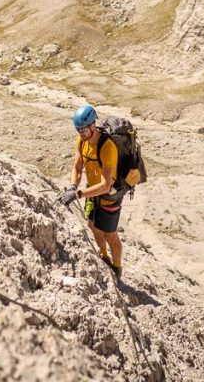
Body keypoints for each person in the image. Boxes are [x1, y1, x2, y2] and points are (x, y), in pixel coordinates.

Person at [60, 103, 123, 278]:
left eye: (83, 130)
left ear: (93, 125)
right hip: (92, 192)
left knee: (110, 234)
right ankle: (104, 256)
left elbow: (105, 185)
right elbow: (78, 167)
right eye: (78, 130)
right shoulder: (82, 142)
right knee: (93, 226)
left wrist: (77, 194)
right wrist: (73, 186)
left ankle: (117, 268)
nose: (81, 133)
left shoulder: (107, 146)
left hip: (109, 196)